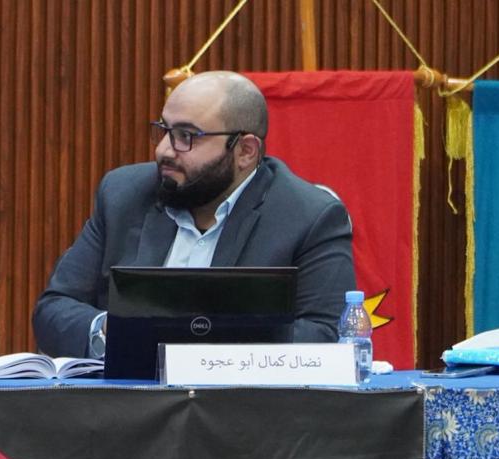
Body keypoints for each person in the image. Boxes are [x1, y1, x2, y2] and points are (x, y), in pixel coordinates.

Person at [32, 70, 355, 358]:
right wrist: (110, 330)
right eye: (164, 130)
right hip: (126, 399)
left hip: (239, 403)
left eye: (186, 136)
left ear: (245, 151)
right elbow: (54, 309)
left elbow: (326, 334)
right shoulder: (123, 194)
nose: (163, 150)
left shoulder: (308, 216)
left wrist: (197, 344)